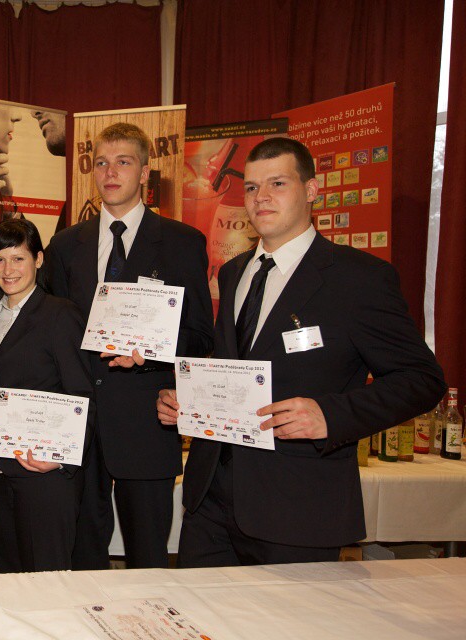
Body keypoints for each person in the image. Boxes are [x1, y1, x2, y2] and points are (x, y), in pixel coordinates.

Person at [157, 137, 446, 567]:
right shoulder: (235, 273)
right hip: (209, 501)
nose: (261, 197)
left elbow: (422, 380)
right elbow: (235, 367)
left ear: (311, 190)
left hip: (298, 506)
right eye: (252, 187)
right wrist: (192, 399)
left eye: (278, 183)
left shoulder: (358, 279)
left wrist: (330, 414)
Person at [44, 122, 214, 570]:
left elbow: (200, 335)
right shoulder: (65, 246)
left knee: (148, 558)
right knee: (82, 557)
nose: (110, 172)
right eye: (101, 163)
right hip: (79, 424)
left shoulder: (182, 242)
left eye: (123, 162)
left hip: (147, 420)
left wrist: (154, 352)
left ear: (144, 172)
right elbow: (52, 335)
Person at [0, 218, 94, 573]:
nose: (8, 269)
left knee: (47, 581)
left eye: (18, 258)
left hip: (46, 477)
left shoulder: (61, 314)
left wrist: (61, 459)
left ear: (38, 260)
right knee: (9, 579)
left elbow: (83, 395)